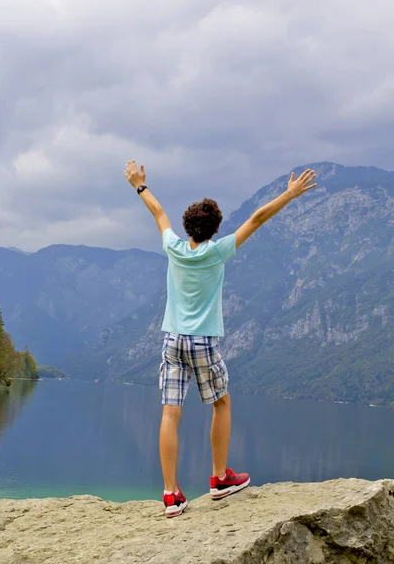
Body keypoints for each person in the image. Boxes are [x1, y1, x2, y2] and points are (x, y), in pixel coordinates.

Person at [124, 160, 317, 518]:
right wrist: (289, 194)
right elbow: (257, 218)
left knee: (170, 413)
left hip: (172, 341)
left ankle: (170, 495)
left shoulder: (174, 248)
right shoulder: (218, 251)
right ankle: (219, 478)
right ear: (214, 230)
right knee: (222, 403)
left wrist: (139, 184)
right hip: (202, 343)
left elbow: (157, 210)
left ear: (187, 228)